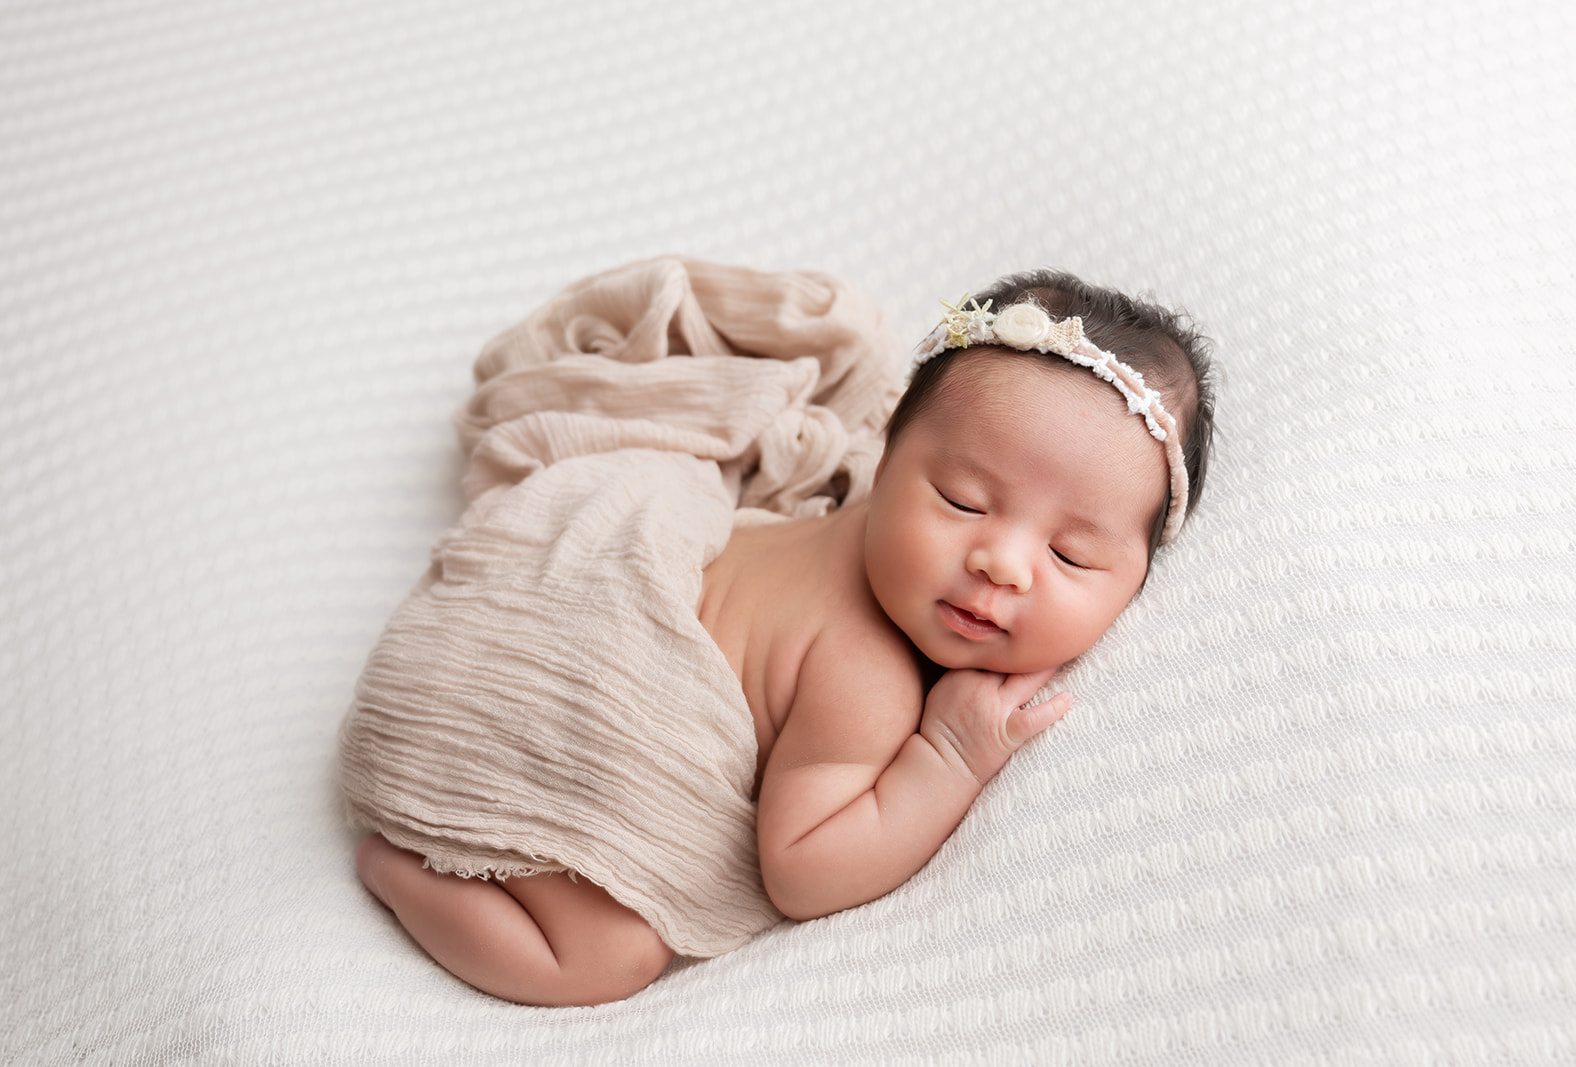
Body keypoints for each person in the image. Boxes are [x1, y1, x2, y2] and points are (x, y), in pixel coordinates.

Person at [349, 267, 1215, 1007]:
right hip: (539, 698)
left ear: (1138, 578)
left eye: (1070, 553)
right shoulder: (866, 676)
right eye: (960, 499)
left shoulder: (849, 520)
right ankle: (400, 867)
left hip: (508, 616)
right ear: (887, 458)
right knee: (607, 954)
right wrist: (947, 754)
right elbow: (799, 867)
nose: (1002, 562)